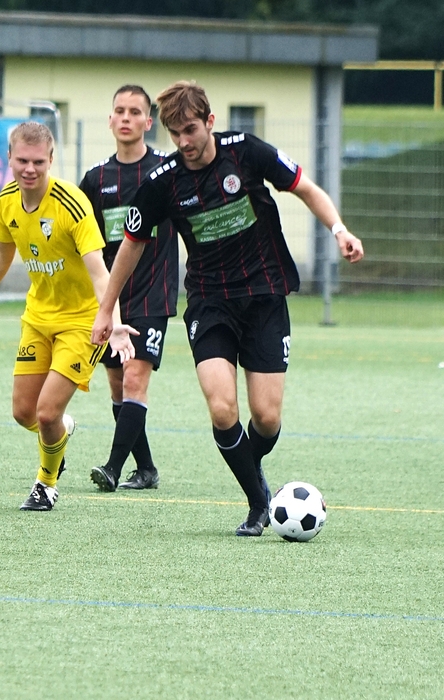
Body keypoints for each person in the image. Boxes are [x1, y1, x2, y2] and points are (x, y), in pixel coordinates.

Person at [91, 81, 364, 536]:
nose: (183, 142)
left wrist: (339, 230)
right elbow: (131, 245)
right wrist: (106, 309)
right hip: (209, 302)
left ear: (210, 122)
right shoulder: (163, 181)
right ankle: (258, 504)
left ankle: (251, 470)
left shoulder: (247, 152)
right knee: (222, 409)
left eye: (191, 130)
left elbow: (305, 188)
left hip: (264, 296)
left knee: (267, 418)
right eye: (175, 134)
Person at [0, 121, 132, 511]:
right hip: (38, 317)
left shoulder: (71, 204)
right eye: (22, 161)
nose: (29, 169)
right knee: (24, 413)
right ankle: (60, 433)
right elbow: (2, 254)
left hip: (82, 321)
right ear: (9, 159)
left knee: (47, 413)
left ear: (51, 159)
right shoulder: (7, 201)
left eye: (38, 161)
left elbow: (100, 271)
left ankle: (45, 485)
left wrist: (113, 322)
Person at [79, 85, 178, 493]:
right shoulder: (95, 179)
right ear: (110, 120)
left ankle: (113, 467)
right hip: (110, 299)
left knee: (136, 380)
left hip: (154, 293)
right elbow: (83, 241)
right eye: (119, 110)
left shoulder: (168, 171)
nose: (126, 117)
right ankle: (147, 469)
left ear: (148, 122)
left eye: (135, 112)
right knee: (119, 385)